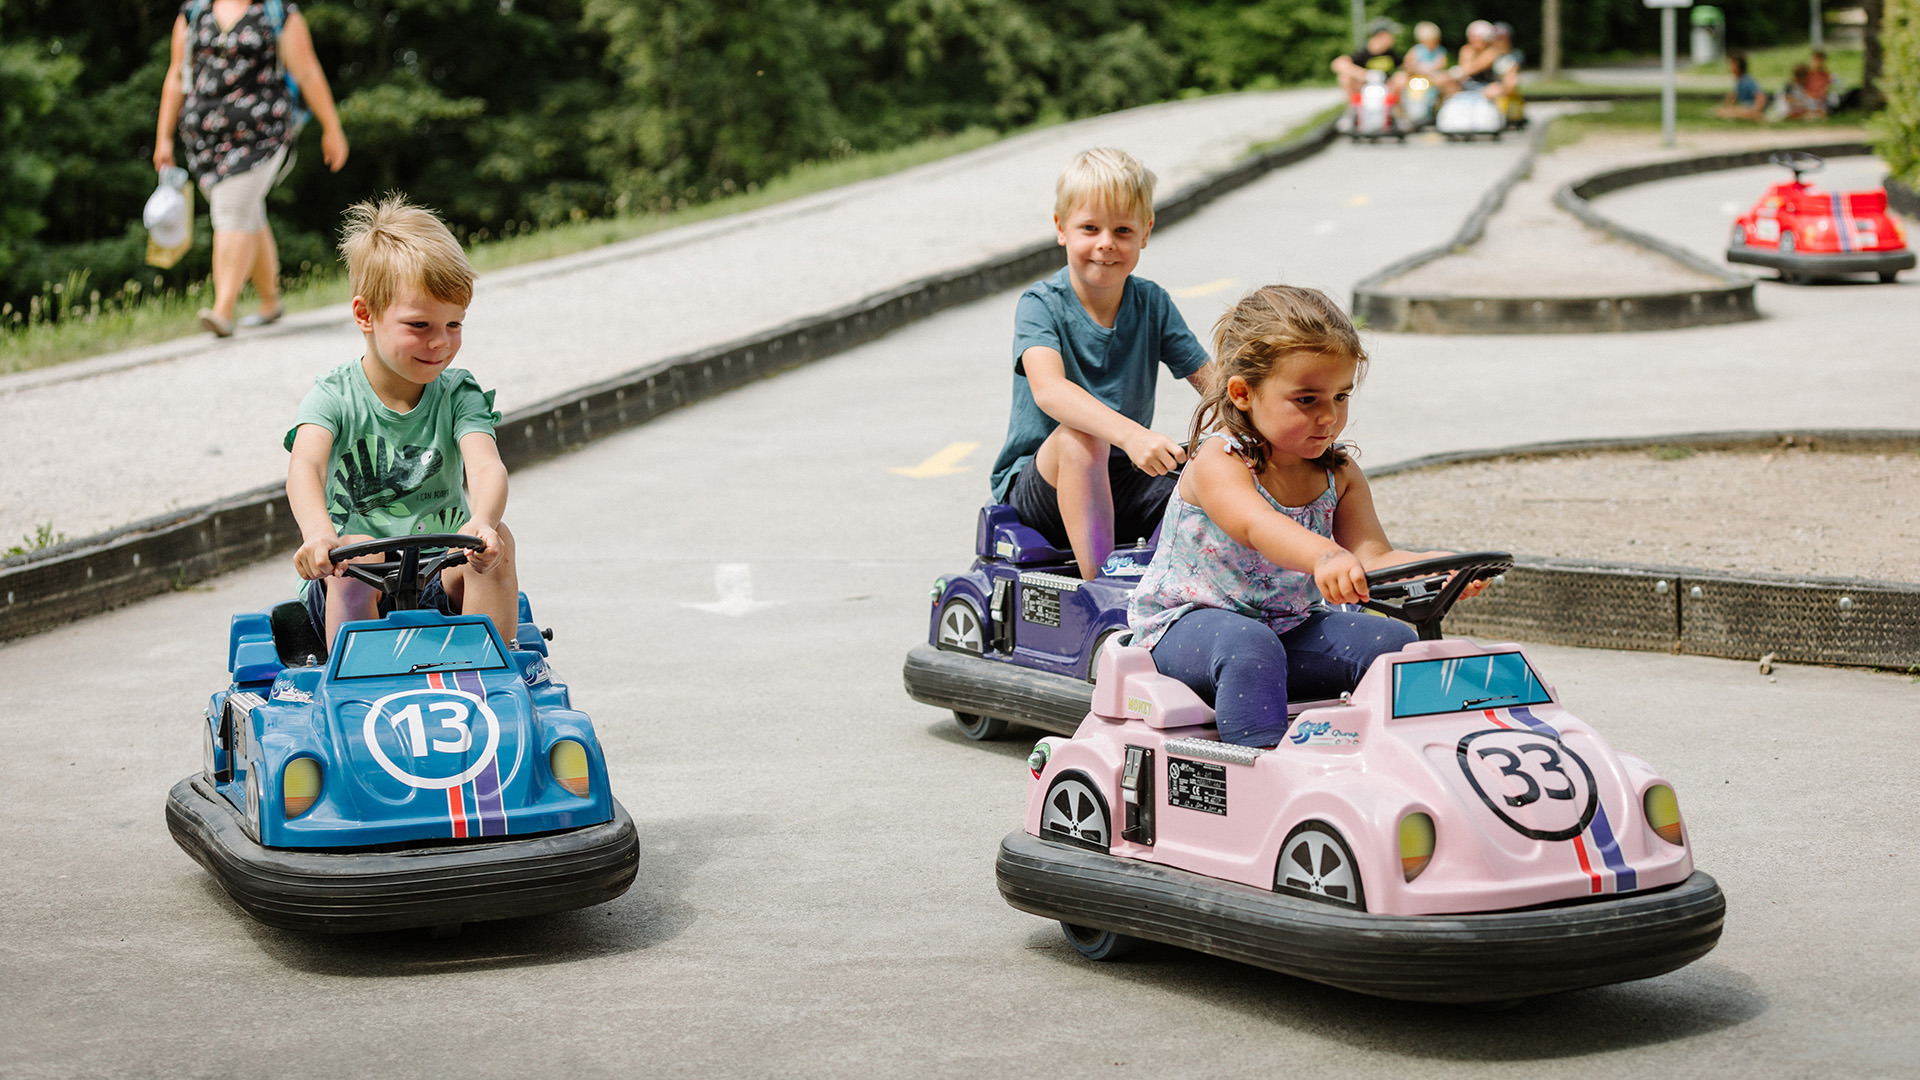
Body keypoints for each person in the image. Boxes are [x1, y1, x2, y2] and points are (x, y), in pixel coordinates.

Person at [1126, 285, 1482, 749]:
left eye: (1340, 397)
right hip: (1189, 627)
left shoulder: (1339, 474)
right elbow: (1257, 526)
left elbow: (1373, 556)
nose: (1329, 417)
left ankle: (1414, 760)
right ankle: (1261, 773)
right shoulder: (1219, 462)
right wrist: (1325, 556)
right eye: (1307, 399)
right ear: (1242, 393)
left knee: (1396, 644)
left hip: (1289, 627)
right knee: (1249, 646)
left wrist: (1437, 565)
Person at [286, 196, 517, 651]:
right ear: (365, 315)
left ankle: (491, 673)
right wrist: (318, 536)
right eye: (419, 324)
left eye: (454, 324)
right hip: (348, 582)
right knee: (361, 548)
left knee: (493, 543)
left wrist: (483, 521)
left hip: (438, 578)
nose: (441, 342)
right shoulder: (335, 396)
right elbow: (305, 467)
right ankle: (356, 679)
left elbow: (486, 466)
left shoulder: (457, 394)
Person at [987, 148, 1213, 582]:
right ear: (1061, 228)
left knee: (1213, 471)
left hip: (1123, 478)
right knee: (1083, 438)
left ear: (1145, 232)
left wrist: (1260, 428)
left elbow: (1214, 384)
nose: (1106, 242)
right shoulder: (1040, 305)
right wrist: (1131, 434)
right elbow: (1049, 390)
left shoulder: (1152, 303)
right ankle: (1103, 588)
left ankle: (1189, 582)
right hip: (1044, 489)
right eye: (1090, 228)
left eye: (1122, 229)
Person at [154, 0, 348, 338]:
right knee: (249, 214)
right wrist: (163, 138)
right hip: (205, 142)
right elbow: (176, 75)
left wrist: (332, 127)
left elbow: (307, 71)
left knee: (232, 210)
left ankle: (223, 309)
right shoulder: (194, 12)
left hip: (262, 135)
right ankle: (271, 301)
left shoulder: (278, 13)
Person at [1333, 18, 1408, 97]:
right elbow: (1338, 63)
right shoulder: (1364, 53)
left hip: (1387, 88)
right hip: (1365, 87)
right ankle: (1352, 106)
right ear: (1381, 35)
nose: (1393, 39)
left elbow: (1405, 66)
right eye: (1390, 36)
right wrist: (1366, 75)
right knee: (1344, 77)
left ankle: (1398, 108)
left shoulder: (1391, 53)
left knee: (1402, 77)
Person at [1713, 52, 1768, 120]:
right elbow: (1732, 97)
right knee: (1719, 111)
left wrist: (1755, 110)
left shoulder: (1747, 81)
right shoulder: (1739, 82)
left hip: (1750, 108)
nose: (1730, 67)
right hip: (1745, 107)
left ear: (1739, 67)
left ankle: (1753, 116)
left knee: (1728, 113)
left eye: (1732, 64)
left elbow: (1761, 97)